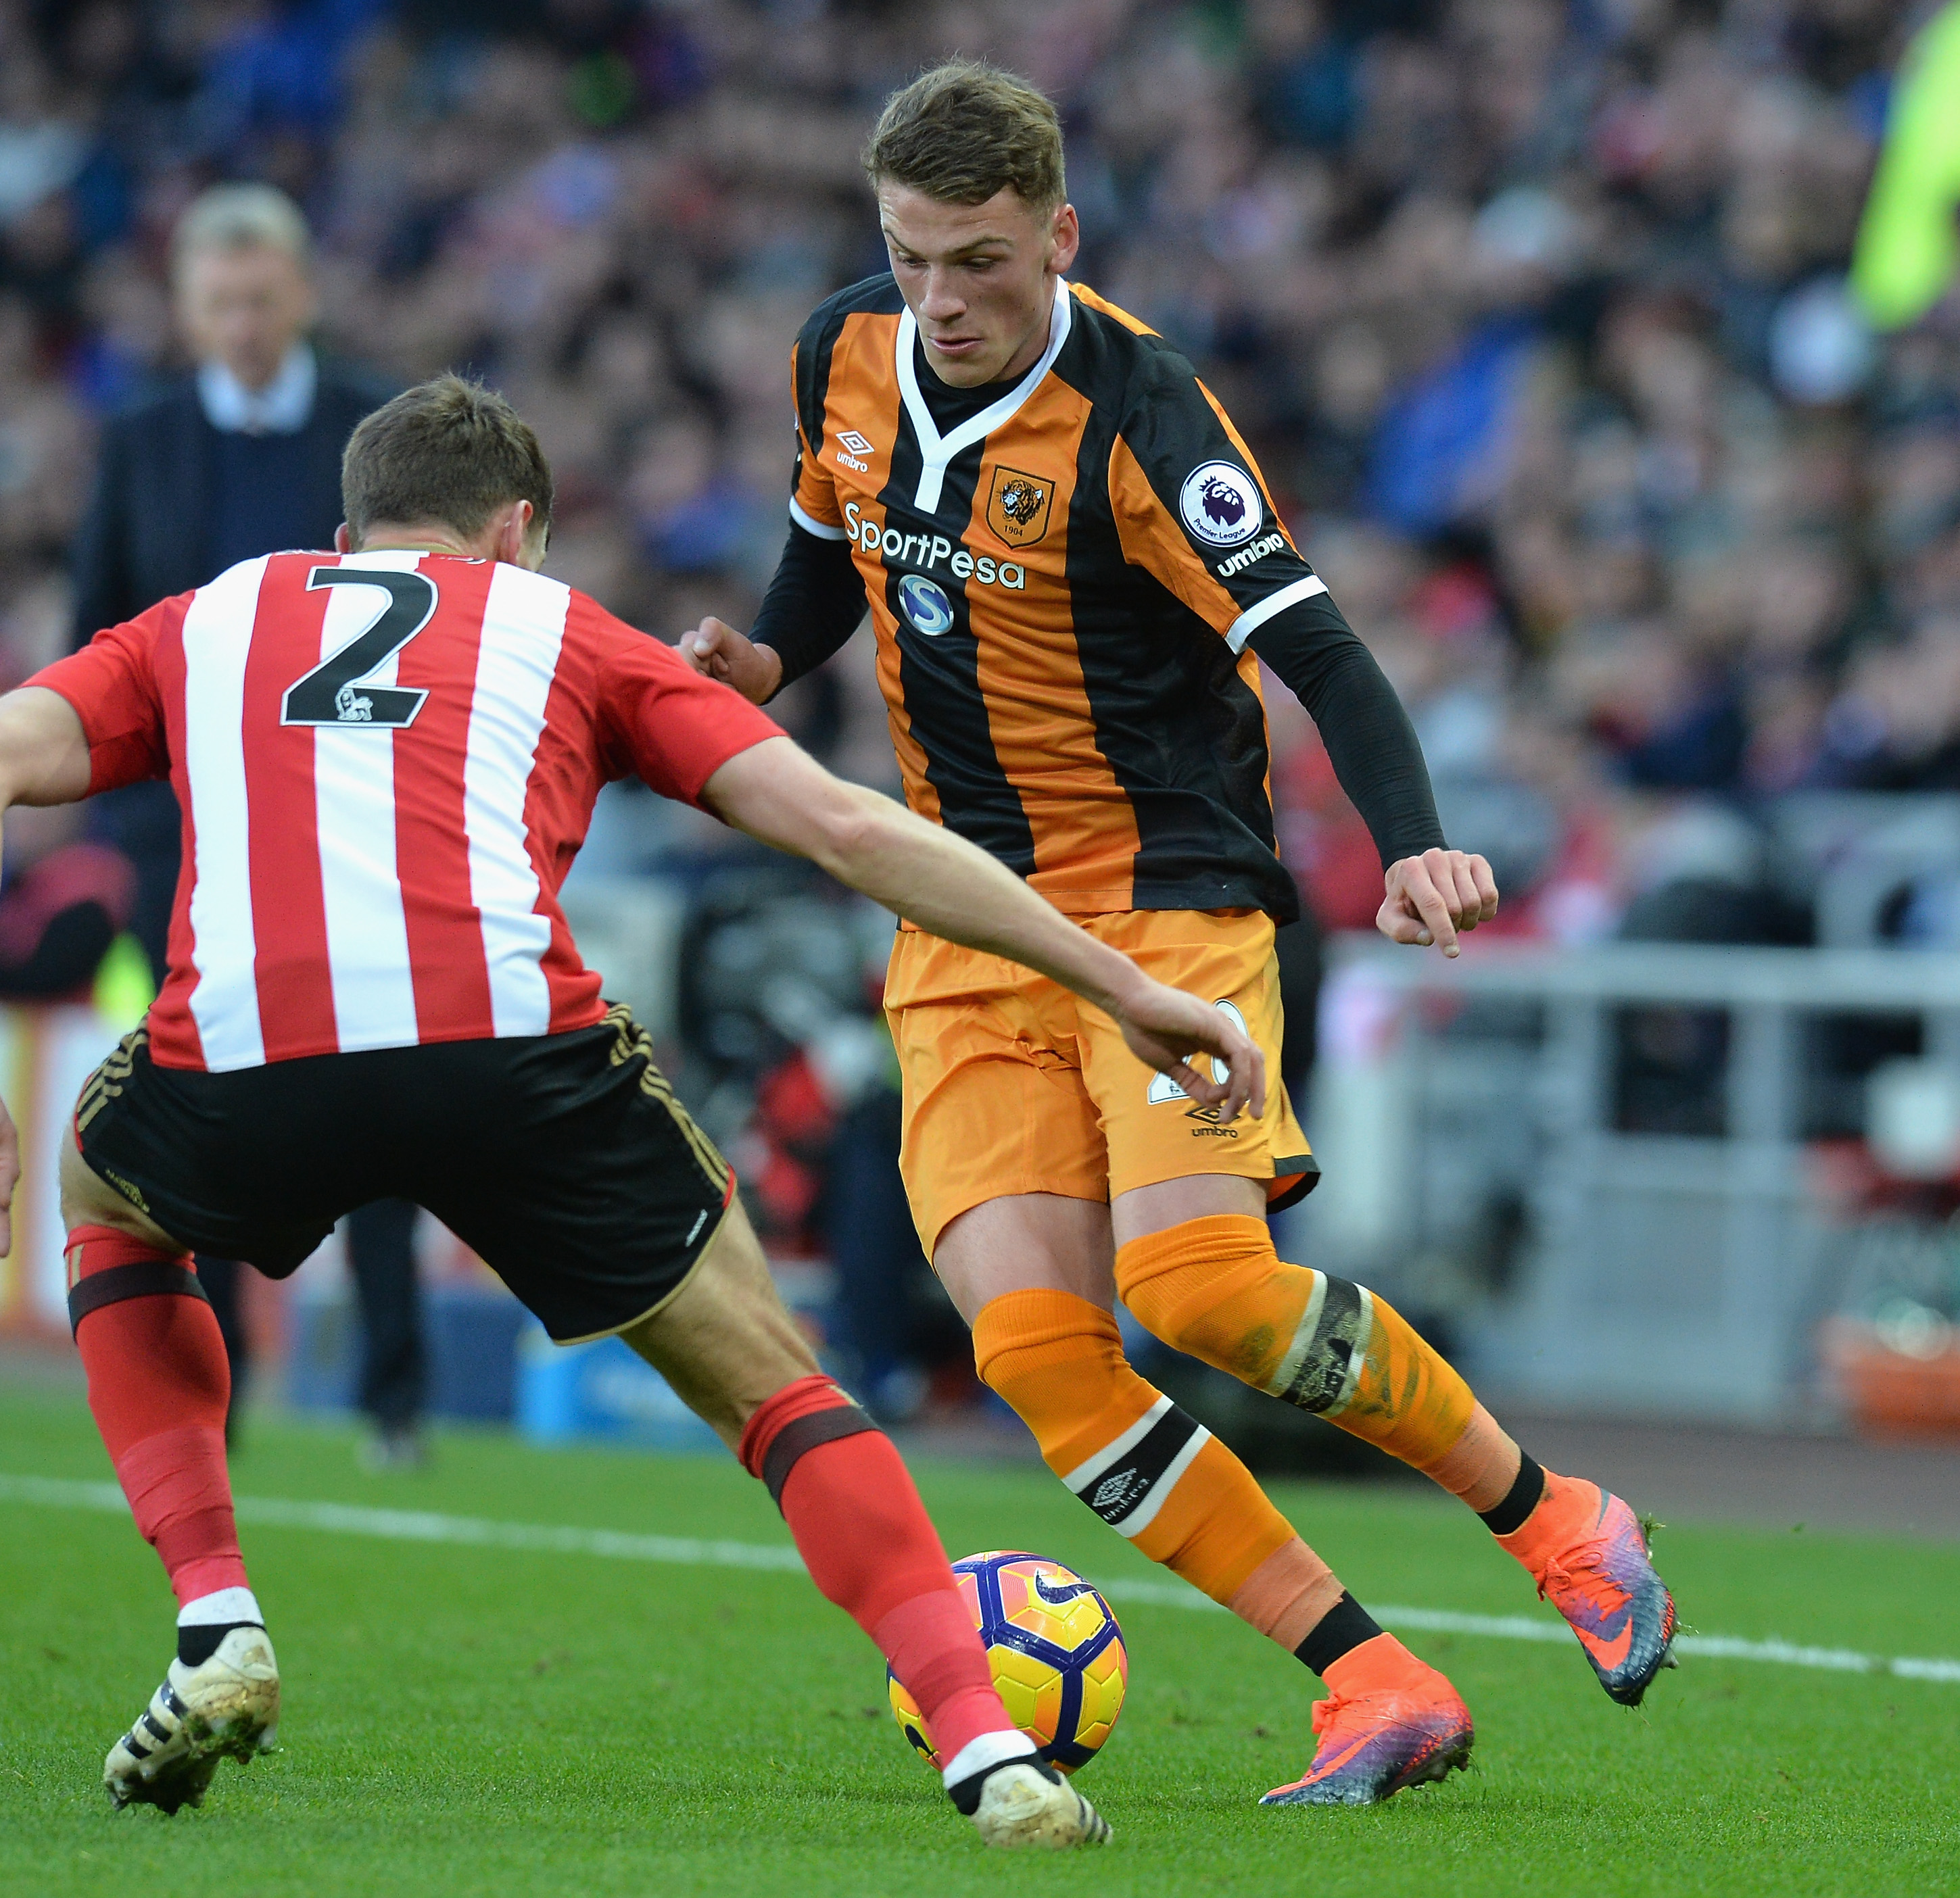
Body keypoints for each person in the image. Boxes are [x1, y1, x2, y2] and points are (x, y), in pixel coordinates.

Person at [0, 374, 1278, 1843]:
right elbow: (843, 825)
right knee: (774, 1390)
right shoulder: (564, 628)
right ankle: (985, 1749)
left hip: (252, 1051)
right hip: (514, 1052)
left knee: (108, 1201)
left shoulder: (209, 617)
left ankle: (213, 1616)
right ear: (515, 533)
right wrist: (1117, 983)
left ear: (347, 533)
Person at [681, 61, 1676, 1806]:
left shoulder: (1144, 417)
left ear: (1057, 236)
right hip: (961, 917)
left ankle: (1559, 1524)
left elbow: (1320, 651)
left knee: (1200, 1289)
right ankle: (1368, 1679)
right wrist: (761, 662)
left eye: (979, 261)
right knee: (1033, 1357)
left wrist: (1415, 845)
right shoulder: (839, 350)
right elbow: (825, 549)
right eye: (911, 257)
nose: (939, 299)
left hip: (1162, 902)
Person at [72, 181, 424, 1464]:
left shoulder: (375, 432)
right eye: (220, 303)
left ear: (303, 296)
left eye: (262, 299)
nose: (243, 324)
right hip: (192, 837)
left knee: (384, 1097)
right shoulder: (142, 442)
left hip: (355, 824)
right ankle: (212, 1390)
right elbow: (98, 636)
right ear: (187, 308)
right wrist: (127, 827)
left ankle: (394, 1398)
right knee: (207, 1100)